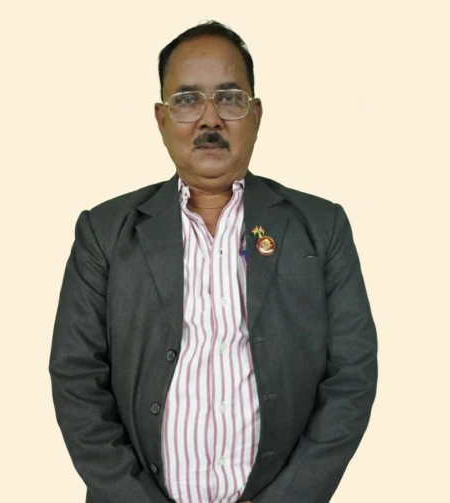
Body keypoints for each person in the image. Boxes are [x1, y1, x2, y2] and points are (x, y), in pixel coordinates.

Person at [49, 20, 378, 503]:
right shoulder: (104, 233)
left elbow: (352, 376)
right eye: (187, 100)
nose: (209, 120)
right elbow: (76, 378)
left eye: (229, 98)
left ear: (256, 114)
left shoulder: (321, 226)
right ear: (162, 119)